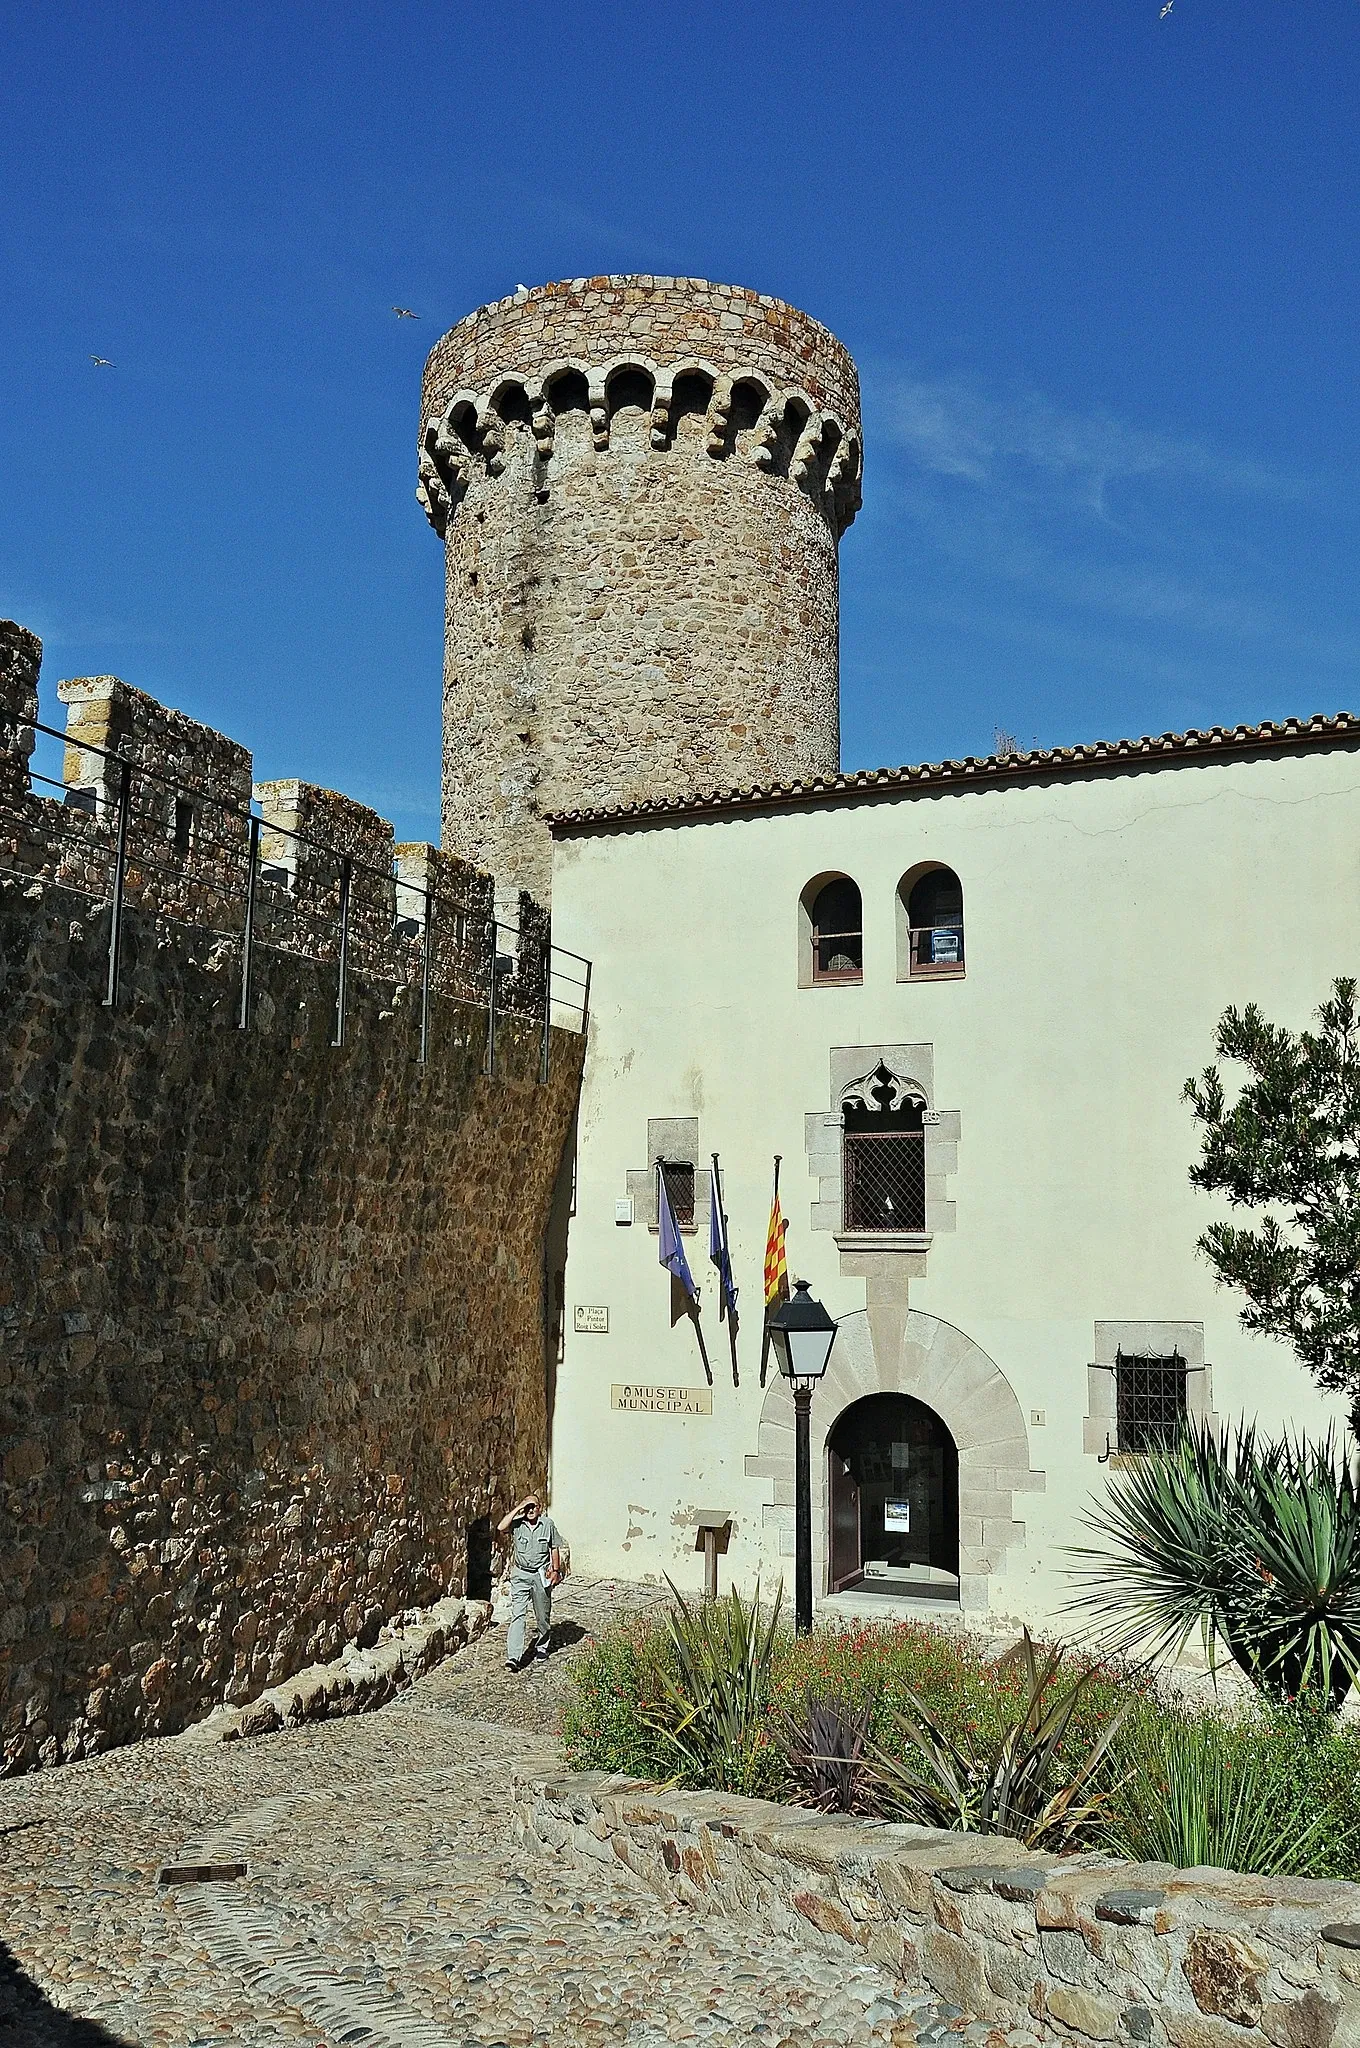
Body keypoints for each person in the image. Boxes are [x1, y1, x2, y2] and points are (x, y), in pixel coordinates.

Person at [497, 1492, 562, 1670]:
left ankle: (542, 1646)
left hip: (541, 1575)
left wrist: (555, 1570)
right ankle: (514, 1657)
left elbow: (554, 1547)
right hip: (520, 1575)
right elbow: (501, 1527)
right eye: (528, 1507)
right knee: (518, 1614)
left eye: (534, 1506)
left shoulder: (547, 1524)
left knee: (542, 1616)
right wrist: (519, 1507)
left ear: (540, 1508)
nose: (530, 1510)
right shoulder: (517, 1524)